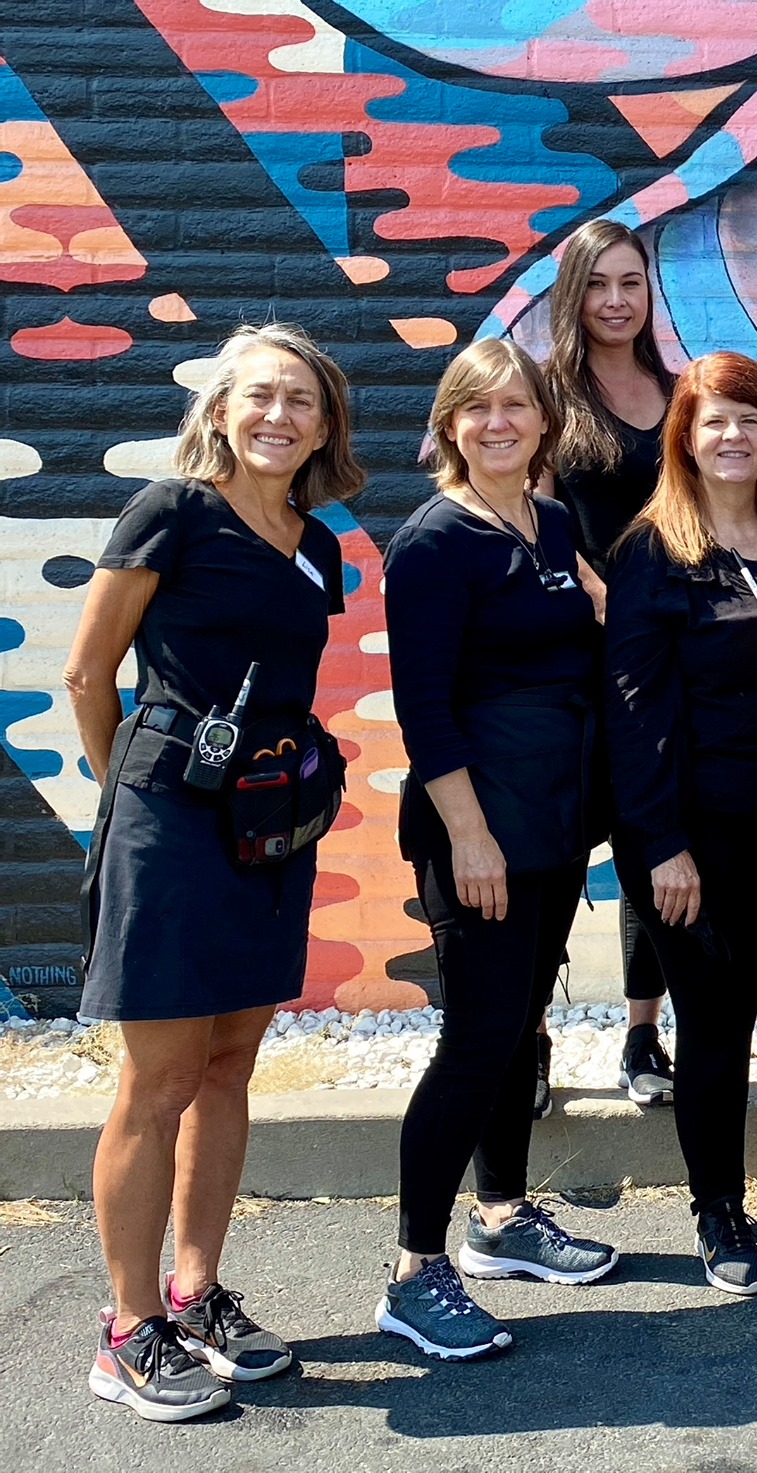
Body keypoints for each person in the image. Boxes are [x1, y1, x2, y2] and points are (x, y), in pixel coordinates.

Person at [67, 324, 362, 1420]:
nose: (280, 415)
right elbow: (88, 673)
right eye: (261, 396)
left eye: (302, 401)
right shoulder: (173, 511)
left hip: (269, 826)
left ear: (325, 428)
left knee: (233, 1063)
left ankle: (195, 1295)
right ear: (223, 411)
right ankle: (127, 1329)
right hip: (171, 820)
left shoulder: (315, 543)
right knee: (159, 1081)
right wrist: (139, 800)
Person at [378, 339, 619, 1362]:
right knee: (476, 1041)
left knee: (521, 1030)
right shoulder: (432, 542)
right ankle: (413, 1272)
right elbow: (424, 710)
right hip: (478, 831)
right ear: (450, 426)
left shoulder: (548, 522)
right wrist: (470, 836)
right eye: (477, 408)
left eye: (516, 404)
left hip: (552, 822)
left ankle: (503, 1218)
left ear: (543, 420)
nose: (499, 422)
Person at [604, 352, 757, 1295]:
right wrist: (661, 843)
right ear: (686, 438)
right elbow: (633, 710)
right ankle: (720, 1211)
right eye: (715, 421)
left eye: (751, 418)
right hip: (694, 838)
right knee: (717, 1022)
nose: (734, 435)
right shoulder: (651, 551)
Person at [539, 218, 677, 1114]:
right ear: (573, 295)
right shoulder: (548, 396)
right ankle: (530, 1038)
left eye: (630, 282)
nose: (616, 300)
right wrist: (595, 591)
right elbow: (531, 516)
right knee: (553, 854)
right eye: (598, 284)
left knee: (647, 842)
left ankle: (641, 1033)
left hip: (664, 657)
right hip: (576, 657)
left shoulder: (678, 390)